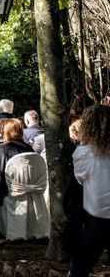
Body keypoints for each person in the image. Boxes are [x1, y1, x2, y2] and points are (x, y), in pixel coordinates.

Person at [70, 105, 110, 277]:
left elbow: (79, 179)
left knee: (80, 266)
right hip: (96, 218)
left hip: (97, 219)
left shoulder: (84, 154)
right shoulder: (84, 153)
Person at [0, 119, 34, 206]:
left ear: (6, 132)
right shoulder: (29, 148)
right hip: (29, 192)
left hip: (9, 192)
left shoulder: (1, 149)